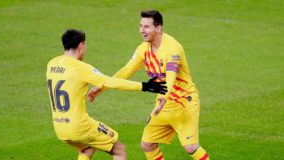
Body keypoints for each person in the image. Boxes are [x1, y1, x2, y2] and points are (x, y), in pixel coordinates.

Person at [88, 10, 210, 160]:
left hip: (184, 103)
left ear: (158, 29)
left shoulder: (172, 48)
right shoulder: (143, 49)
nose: (141, 30)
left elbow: (171, 76)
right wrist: (102, 86)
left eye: (146, 27)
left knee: (190, 147)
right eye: (140, 26)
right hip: (163, 106)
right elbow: (126, 71)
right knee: (147, 144)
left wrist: (164, 97)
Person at [46, 29, 167, 160]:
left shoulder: (52, 64)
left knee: (88, 148)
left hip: (59, 127)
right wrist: (145, 86)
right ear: (81, 45)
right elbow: (111, 82)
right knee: (119, 150)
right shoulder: (82, 68)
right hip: (80, 126)